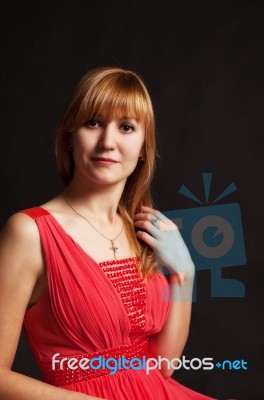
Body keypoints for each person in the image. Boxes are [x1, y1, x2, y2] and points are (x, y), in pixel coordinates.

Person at [0, 67, 216, 399]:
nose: (107, 142)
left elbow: (161, 367)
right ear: (70, 137)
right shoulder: (30, 232)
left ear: (144, 146)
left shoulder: (145, 231)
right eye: (93, 123)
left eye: (126, 127)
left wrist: (185, 274)